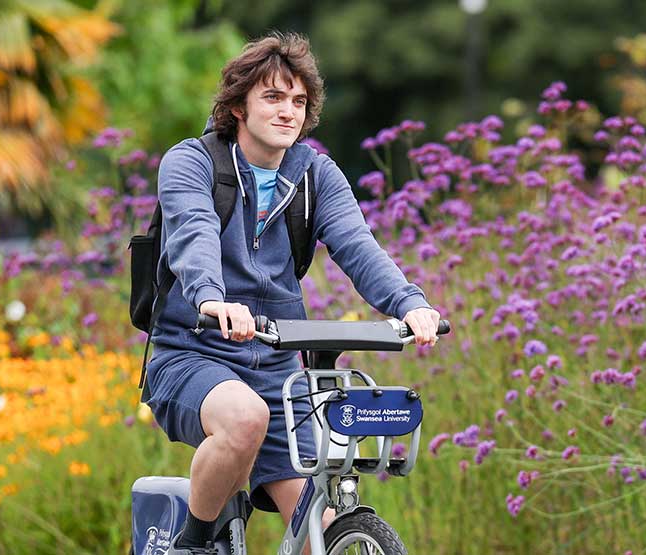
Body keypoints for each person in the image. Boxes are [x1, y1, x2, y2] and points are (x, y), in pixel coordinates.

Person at [141, 31, 442, 553]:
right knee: (244, 418)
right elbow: (193, 233)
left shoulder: (315, 175)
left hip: (279, 369)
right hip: (191, 353)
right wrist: (211, 298)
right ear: (238, 105)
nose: (289, 112)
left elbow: (358, 247)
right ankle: (193, 543)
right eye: (273, 97)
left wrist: (411, 304)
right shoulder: (191, 163)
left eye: (299, 101)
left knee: (317, 531)